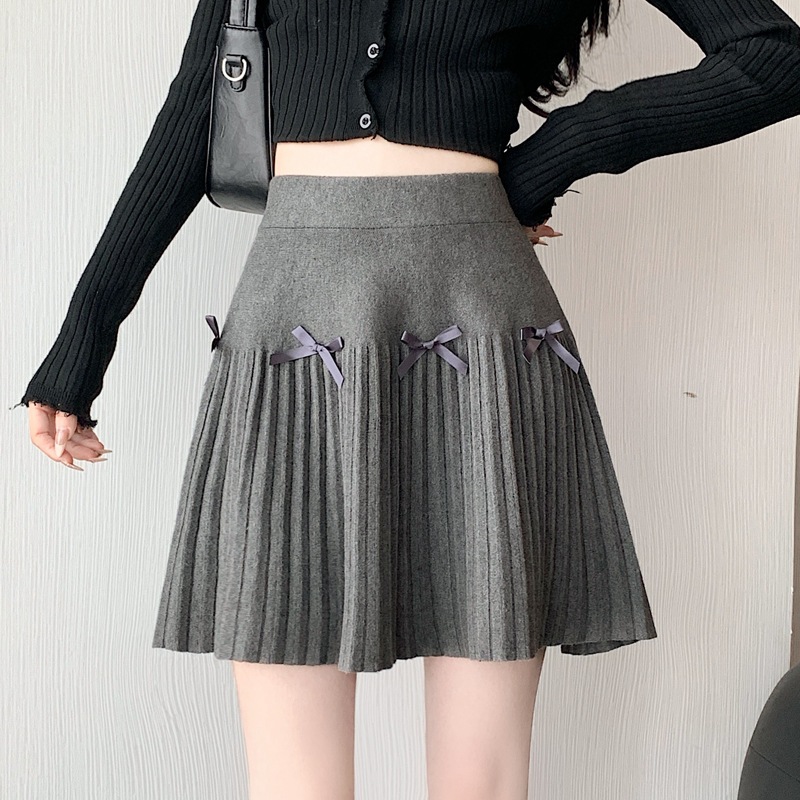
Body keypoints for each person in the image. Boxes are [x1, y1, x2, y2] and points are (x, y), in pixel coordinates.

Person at [12, 0, 800, 796]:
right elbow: (195, 110)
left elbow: (775, 57)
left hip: (478, 321)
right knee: (294, 783)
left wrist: (564, 149)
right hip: (295, 324)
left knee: (479, 782)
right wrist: (82, 343)